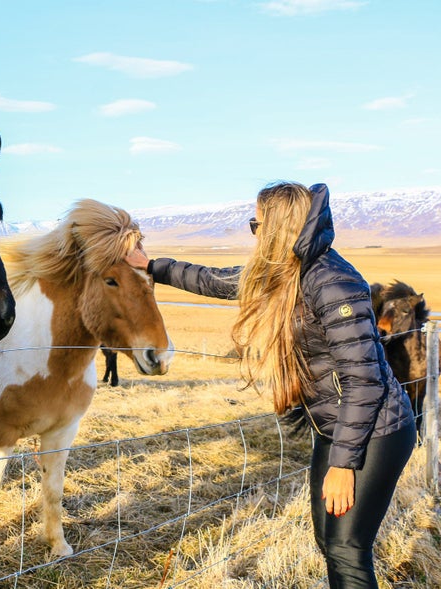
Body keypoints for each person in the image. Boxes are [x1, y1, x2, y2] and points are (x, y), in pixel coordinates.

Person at [127, 182, 416, 588]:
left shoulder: (332, 281)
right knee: (329, 542)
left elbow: (364, 381)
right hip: (337, 429)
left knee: (348, 550)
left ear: (278, 227)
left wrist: (343, 465)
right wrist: (152, 265)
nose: (254, 232)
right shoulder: (286, 270)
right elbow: (216, 280)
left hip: (376, 431)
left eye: (256, 224)